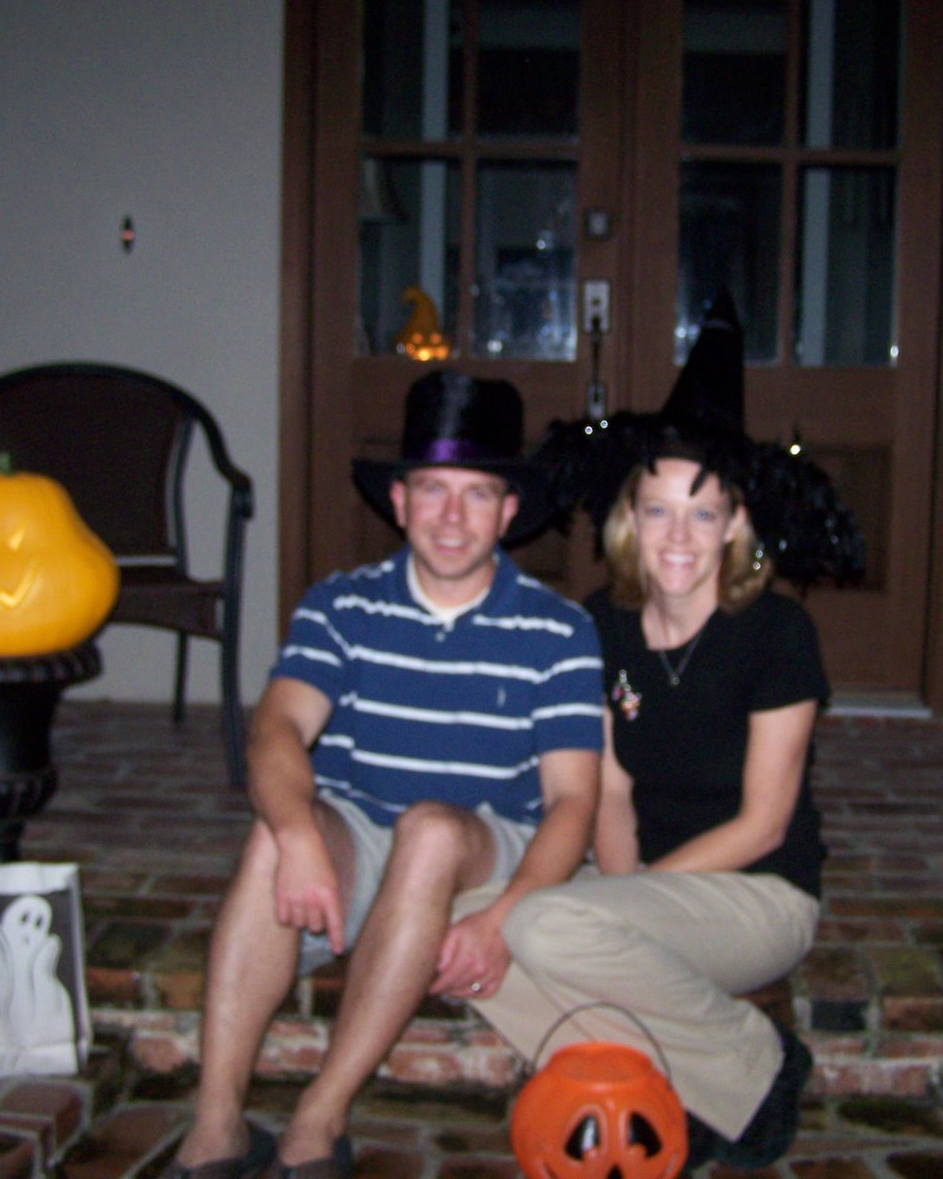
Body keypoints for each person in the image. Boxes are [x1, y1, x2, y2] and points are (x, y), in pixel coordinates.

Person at [165, 370, 603, 1179]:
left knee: (430, 831)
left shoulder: (560, 630)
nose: (451, 517)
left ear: (509, 512)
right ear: (398, 502)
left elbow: (575, 803)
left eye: (477, 495)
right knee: (275, 835)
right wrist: (298, 835)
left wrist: (504, 917)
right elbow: (276, 730)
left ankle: (316, 1120)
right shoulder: (341, 606)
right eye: (431, 489)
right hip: (364, 835)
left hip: (485, 844)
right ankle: (216, 1125)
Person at [465, 295, 862, 1170]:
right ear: (628, 520)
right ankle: (678, 1074)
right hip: (642, 887)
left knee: (540, 929)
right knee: (461, 924)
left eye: (703, 512)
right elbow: (608, 789)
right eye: (657, 510)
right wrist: (622, 894)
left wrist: (628, 903)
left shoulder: (778, 633)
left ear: (736, 525)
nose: (678, 536)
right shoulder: (602, 624)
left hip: (756, 895)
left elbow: (763, 824)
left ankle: (757, 1059)